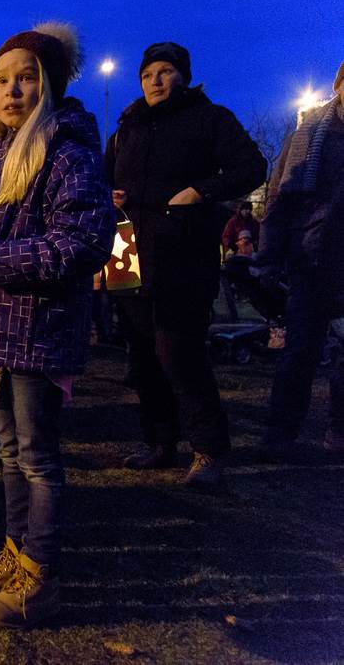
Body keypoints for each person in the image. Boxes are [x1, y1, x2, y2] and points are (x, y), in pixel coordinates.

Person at [0, 23, 115, 627]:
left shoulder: (68, 155)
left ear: (51, 85)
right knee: (11, 453)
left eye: (26, 78)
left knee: (39, 458)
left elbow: (86, 240)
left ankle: (40, 576)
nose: (12, 89)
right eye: (1, 79)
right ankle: (15, 555)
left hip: (41, 330)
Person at [107, 42, 266, 484]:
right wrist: (112, 194)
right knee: (140, 356)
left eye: (165, 71)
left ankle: (208, 449)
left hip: (183, 254)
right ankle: (160, 441)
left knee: (180, 354)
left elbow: (252, 166)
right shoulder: (126, 127)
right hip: (126, 250)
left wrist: (200, 191)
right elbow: (106, 178)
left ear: (184, 75)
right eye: (147, 74)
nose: (155, 80)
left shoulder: (209, 119)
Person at [256, 62, 344, 459]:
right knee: (299, 353)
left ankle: (339, 430)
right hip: (313, 257)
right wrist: (269, 254)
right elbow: (278, 198)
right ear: (338, 86)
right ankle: (280, 435)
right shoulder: (307, 135)